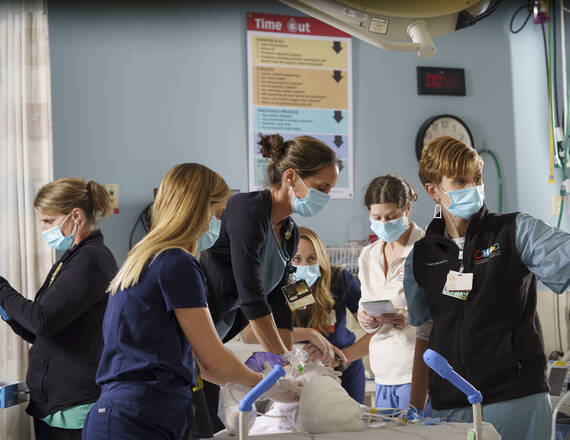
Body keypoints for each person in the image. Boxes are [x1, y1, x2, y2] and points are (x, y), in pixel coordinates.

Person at [82, 164, 301, 440]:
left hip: (130, 413)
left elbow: (198, 362)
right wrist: (271, 387)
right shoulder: (178, 264)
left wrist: (245, 387)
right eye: (218, 215)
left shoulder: (146, 259)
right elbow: (213, 360)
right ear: (198, 209)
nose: (219, 226)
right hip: (137, 417)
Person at [405, 136, 570, 440]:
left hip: (515, 398)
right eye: (459, 181)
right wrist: (414, 409)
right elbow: (424, 334)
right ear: (433, 191)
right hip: (449, 406)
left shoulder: (514, 231)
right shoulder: (420, 257)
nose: (474, 187)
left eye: (477, 178)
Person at [195, 134, 339, 432]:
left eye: (331, 189)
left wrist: (292, 366)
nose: (326, 196)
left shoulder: (290, 233)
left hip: (217, 335)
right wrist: (284, 361)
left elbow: (281, 299)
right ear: (291, 177)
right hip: (196, 324)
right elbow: (252, 297)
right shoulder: (247, 210)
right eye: (322, 187)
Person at [0, 177, 118, 440]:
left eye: (48, 221)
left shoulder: (91, 260)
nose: (44, 230)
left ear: (75, 215)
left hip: (74, 407)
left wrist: (1, 289)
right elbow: (44, 330)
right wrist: (9, 313)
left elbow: (42, 321)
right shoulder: (71, 259)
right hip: (54, 404)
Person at [242, 226, 372, 403]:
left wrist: (340, 359)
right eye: (297, 259)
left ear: (322, 260)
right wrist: (310, 334)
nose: (304, 266)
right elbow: (249, 335)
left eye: (312, 259)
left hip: (343, 369)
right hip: (300, 371)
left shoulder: (339, 280)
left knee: (348, 422)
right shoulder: (281, 286)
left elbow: (374, 331)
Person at [356, 175, 425, 411]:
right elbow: (363, 306)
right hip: (383, 374)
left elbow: (449, 308)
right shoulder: (368, 256)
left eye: (391, 217)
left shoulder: (427, 249)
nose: (383, 223)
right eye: (377, 218)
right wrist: (365, 318)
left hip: (418, 372)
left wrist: (410, 316)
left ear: (407, 209)